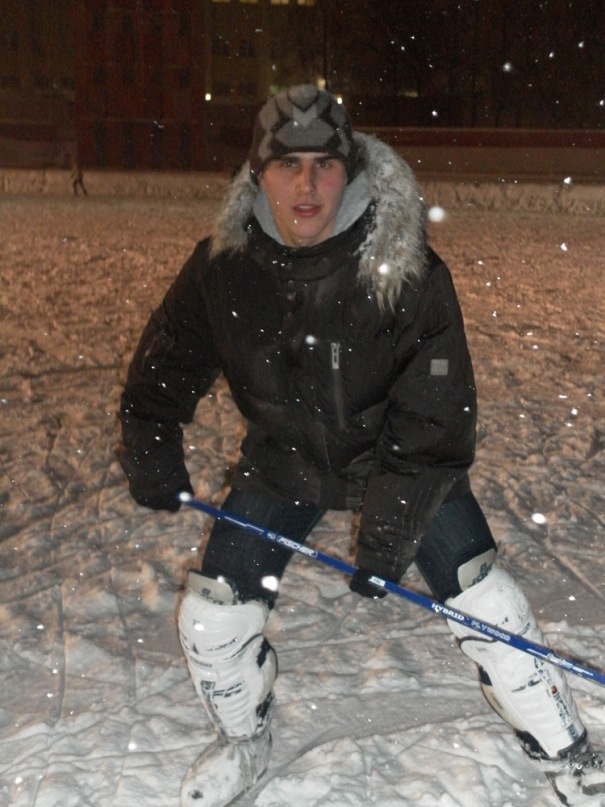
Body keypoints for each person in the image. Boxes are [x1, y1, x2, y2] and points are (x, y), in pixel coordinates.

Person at [119, 85, 603, 807]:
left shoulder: (405, 269)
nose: (306, 185)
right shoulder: (223, 268)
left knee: (488, 601)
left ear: (349, 171)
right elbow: (164, 366)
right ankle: (245, 736)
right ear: (258, 175)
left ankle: (568, 751)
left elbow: (435, 422)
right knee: (211, 615)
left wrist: (386, 537)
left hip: (398, 462)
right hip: (284, 462)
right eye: (287, 165)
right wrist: (151, 446)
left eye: (324, 164)